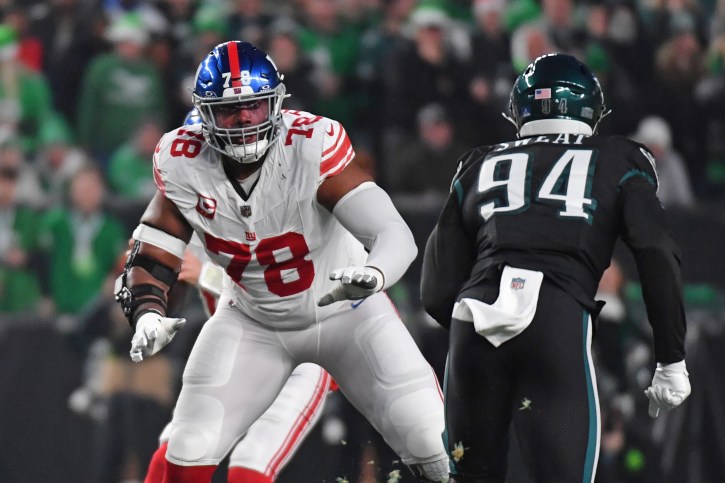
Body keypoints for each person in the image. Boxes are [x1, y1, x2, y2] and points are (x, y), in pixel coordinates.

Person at [114, 40, 448, 482]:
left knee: (433, 443)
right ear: (204, 114)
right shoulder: (183, 160)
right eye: (229, 110)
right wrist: (146, 314)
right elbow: (152, 258)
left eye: (254, 105)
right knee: (188, 448)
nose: (245, 119)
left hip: (348, 313)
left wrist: (375, 273)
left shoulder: (311, 144)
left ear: (276, 102)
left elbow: (392, 232)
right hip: (253, 322)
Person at [421, 53, 691, 483]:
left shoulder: (477, 162)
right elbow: (656, 249)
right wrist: (670, 358)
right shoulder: (620, 156)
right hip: (556, 317)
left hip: (472, 320)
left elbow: (435, 291)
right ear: (591, 110)